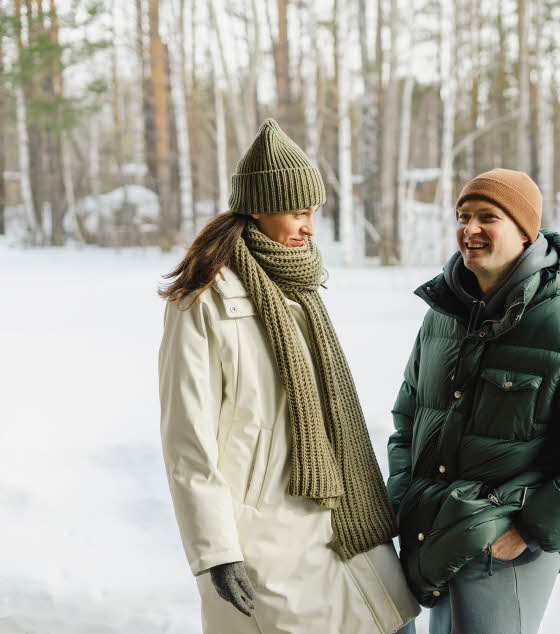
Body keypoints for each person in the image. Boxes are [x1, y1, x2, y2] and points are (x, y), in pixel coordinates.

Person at [158, 119, 419, 634]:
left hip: (340, 516)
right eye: (298, 212)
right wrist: (216, 550)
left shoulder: (300, 287)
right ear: (259, 207)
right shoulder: (204, 300)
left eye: (313, 212)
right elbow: (186, 439)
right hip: (264, 535)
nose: (310, 228)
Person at [387, 168, 560, 634]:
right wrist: (408, 494)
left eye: (488, 217)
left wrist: (530, 529)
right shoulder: (442, 320)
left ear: (526, 232)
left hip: (503, 550)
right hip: (433, 534)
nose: (470, 229)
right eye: (463, 216)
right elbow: (408, 420)